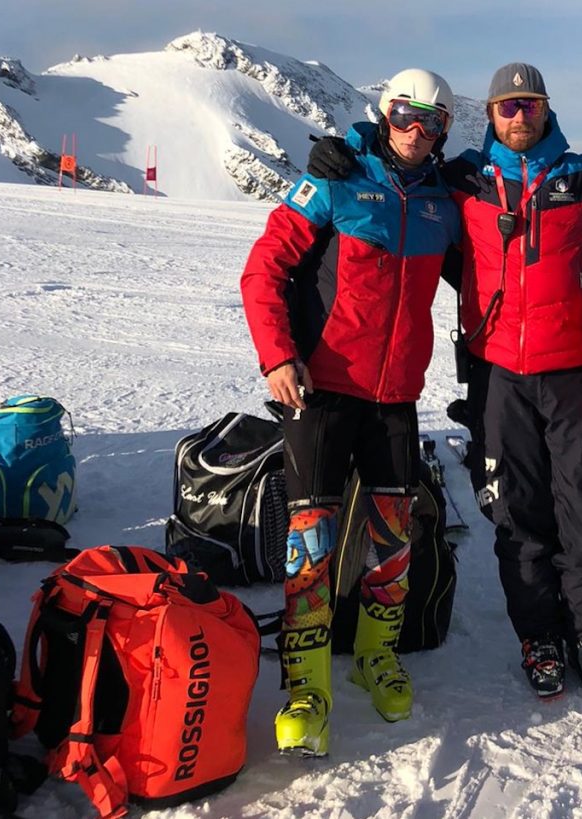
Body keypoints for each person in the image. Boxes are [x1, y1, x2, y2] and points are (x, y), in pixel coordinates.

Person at [306, 62, 582, 706]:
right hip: (498, 372)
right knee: (516, 512)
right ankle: (538, 636)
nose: (518, 116)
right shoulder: (463, 180)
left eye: (530, 105)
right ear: (489, 113)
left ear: (546, 110)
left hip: (572, 371)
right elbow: (398, 167)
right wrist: (348, 146)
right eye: (506, 107)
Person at [240, 68, 460, 756]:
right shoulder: (335, 180)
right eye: (404, 115)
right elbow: (264, 268)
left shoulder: (443, 203)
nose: (416, 130)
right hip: (321, 390)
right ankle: (306, 685)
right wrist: (278, 357)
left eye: (432, 121)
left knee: (394, 536)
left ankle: (375, 653)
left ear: (446, 130)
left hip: (395, 395)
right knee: (311, 539)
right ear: (384, 113)